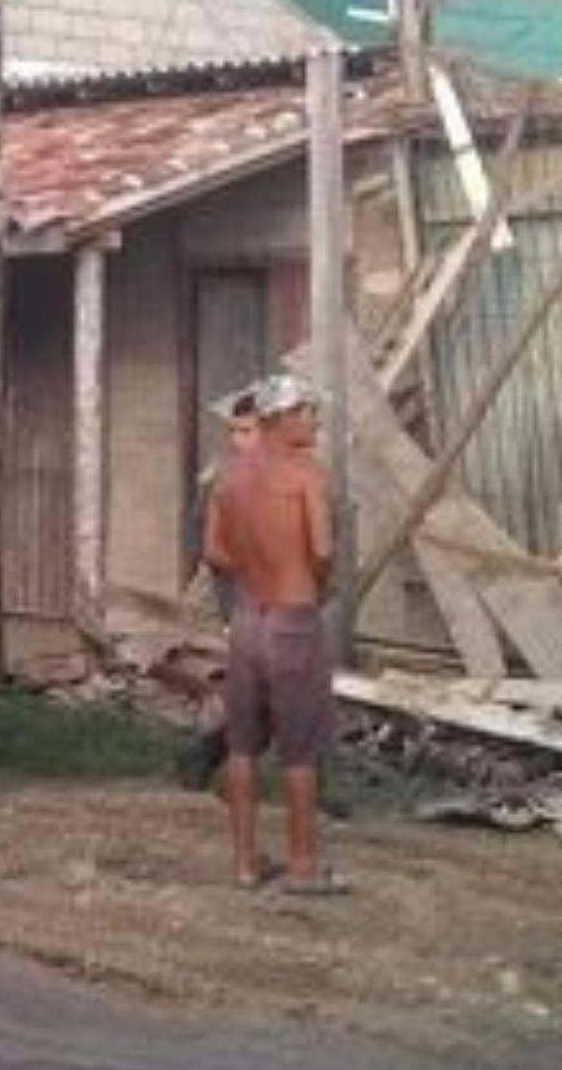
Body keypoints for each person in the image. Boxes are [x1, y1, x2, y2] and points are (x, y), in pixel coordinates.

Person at [205, 375, 342, 895]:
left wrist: (253, 566)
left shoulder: (229, 476)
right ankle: (303, 865)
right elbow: (324, 550)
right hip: (293, 616)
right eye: (305, 410)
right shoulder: (306, 474)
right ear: (278, 420)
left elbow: (215, 551)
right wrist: (314, 584)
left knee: (242, 744)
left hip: (246, 619)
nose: (314, 419)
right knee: (300, 749)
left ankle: (244, 862)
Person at [178, 387, 262, 792]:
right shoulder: (224, 480)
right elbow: (206, 548)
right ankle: (203, 756)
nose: (239, 440)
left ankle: (208, 756)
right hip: (222, 592)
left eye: (249, 431)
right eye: (236, 431)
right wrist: (232, 614)